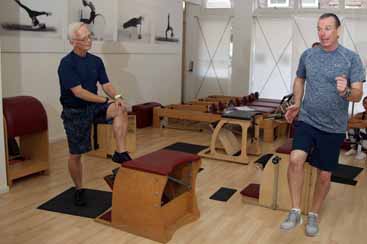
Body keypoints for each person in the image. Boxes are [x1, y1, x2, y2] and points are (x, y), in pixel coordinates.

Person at [280, 13, 365, 237]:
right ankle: (295, 210)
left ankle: (314, 214)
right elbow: (300, 78)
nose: (323, 32)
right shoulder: (308, 55)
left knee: (325, 176)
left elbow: (358, 94)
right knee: (295, 159)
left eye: (328, 28)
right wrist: (297, 103)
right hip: (307, 119)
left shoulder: (352, 59)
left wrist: (345, 91)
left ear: (338, 31)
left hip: (334, 126)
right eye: (319, 28)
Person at [58, 22, 131, 206]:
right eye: (84, 38)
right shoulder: (66, 64)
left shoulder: (96, 61)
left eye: (90, 36)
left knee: (120, 107)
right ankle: (79, 188)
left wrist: (117, 96)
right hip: (75, 111)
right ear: (73, 42)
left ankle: (120, 152)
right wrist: (105, 101)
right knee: (76, 154)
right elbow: (79, 92)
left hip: (94, 106)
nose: (89, 40)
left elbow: (106, 84)